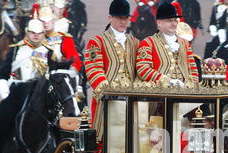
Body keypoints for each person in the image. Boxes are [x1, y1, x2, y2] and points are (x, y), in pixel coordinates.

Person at [0, 18, 47, 153]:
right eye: (33, 33)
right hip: (19, 93)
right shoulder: (16, 50)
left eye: (39, 34)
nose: (36, 36)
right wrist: (7, 95)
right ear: (27, 32)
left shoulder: (51, 51)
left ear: (43, 34)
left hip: (43, 94)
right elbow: (2, 76)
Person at [84, 0, 139, 139]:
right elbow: (94, 70)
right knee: (105, 140)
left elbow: (140, 70)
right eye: (119, 17)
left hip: (131, 101)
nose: (123, 21)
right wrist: (109, 92)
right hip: (106, 101)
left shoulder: (135, 42)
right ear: (110, 18)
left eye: (126, 18)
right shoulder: (97, 41)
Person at [136, 2, 199, 86]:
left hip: (184, 93)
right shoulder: (148, 42)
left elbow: (193, 69)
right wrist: (167, 81)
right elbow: (143, 69)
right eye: (169, 21)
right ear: (159, 23)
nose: (173, 24)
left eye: (175, 20)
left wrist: (190, 85)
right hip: (159, 93)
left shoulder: (185, 43)